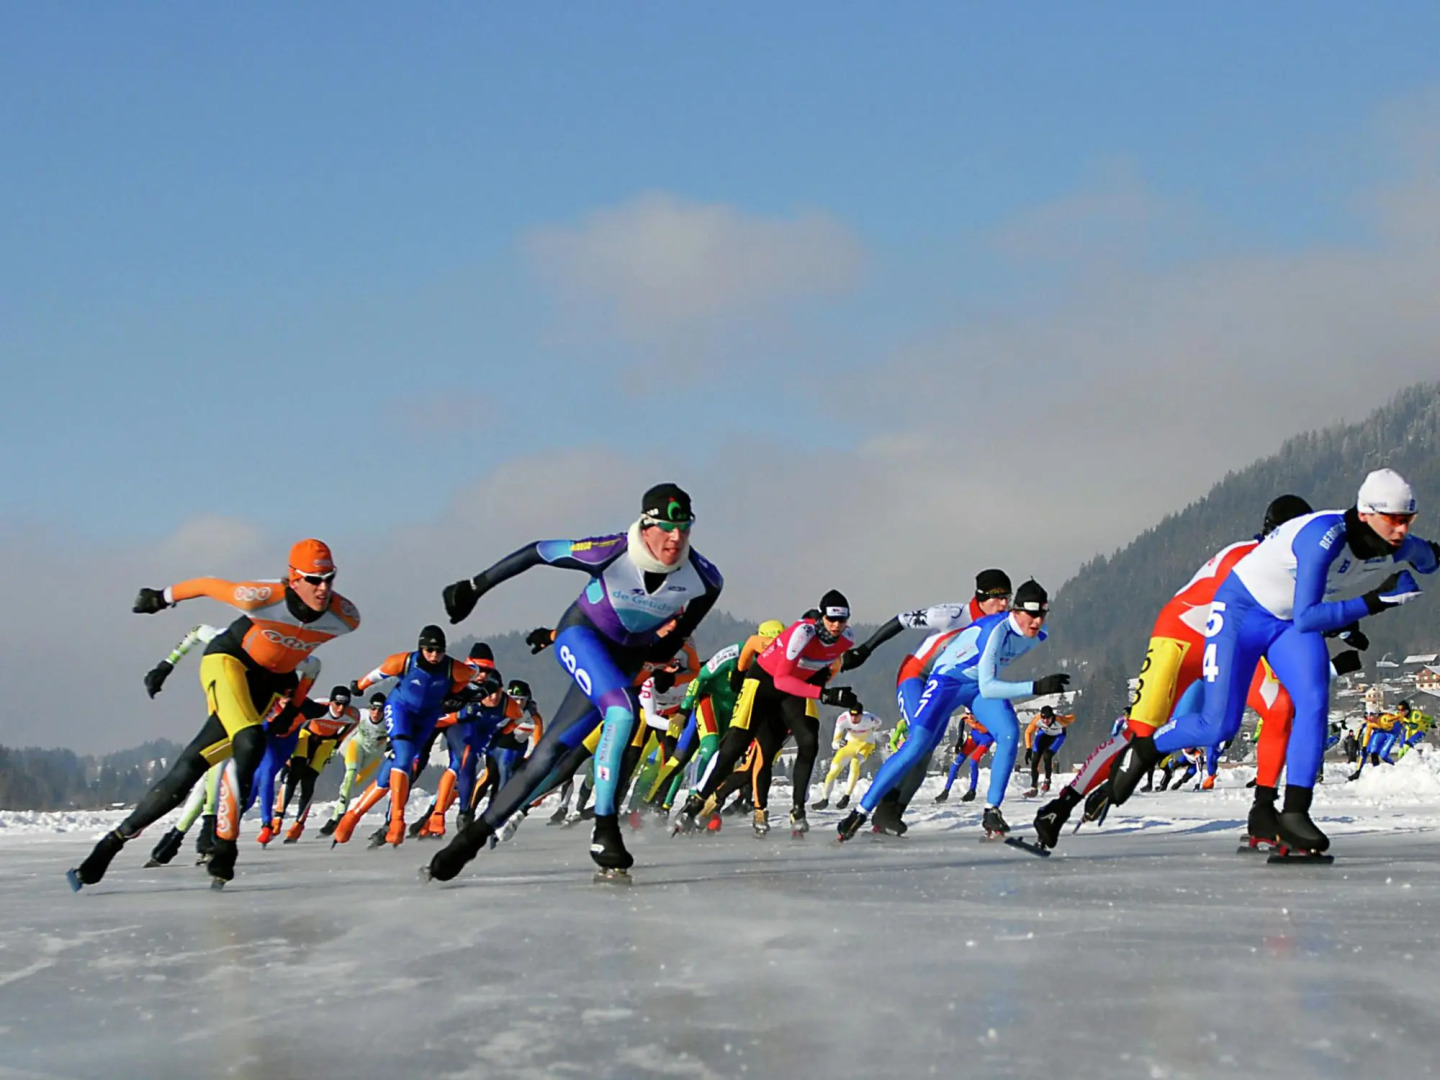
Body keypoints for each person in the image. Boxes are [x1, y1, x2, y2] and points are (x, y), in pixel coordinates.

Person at [1109, 469, 1438, 855]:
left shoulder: (1401, 544)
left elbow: (1431, 558)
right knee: (1218, 725)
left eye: (1407, 520)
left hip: (1284, 622)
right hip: (1242, 614)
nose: (1400, 530)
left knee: (1313, 700)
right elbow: (1309, 617)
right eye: (1393, 519)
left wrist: (1423, 560)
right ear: (1365, 513)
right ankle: (1148, 749)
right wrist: (1375, 601)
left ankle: (1295, 814)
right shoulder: (1324, 538)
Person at [427, 483, 723, 881]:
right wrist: (474, 588)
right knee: (622, 712)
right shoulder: (612, 551)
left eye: (684, 528)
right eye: (667, 528)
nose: (676, 538)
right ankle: (604, 829)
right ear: (646, 525)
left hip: (623, 658)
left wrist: (660, 652)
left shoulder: (705, 578)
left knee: (552, 754)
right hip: (581, 635)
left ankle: (468, 842)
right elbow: (538, 551)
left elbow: (682, 630)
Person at [68, 540, 360, 890]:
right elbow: (208, 584)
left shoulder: (345, 618)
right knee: (250, 740)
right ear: (294, 578)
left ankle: (109, 845)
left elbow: (310, 666)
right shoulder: (263, 596)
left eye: (330, 578)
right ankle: (225, 846)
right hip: (228, 661)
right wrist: (161, 597)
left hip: (265, 687)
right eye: (314, 579)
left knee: (190, 767)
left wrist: (294, 705)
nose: (324, 588)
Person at [1031, 496, 1317, 850]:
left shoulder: (1291, 567)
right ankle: (1060, 806)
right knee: (1138, 732)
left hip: (1229, 641)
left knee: (1281, 708)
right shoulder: (1245, 558)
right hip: (1181, 638)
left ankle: (1263, 808)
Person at [839, 579, 1067, 841]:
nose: (1037, 621)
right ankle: (860, 812)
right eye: (1031, 614)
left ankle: (991, 811)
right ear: (1015, 611)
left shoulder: (1037, 633)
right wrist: (1036, 687)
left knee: (1008, 732)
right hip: (941, 680)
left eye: (1042, 614)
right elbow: (990, 685)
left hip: (976, 685)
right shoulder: (974, 622)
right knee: (919, 743)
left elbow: (986, 681)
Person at [674, 592, 864, 837]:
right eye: (831, 620)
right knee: (735, 746)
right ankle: (696, 802)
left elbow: (830, 670)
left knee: (807, 741)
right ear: (820, 618)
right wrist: (739, 676)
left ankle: (796, 809)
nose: (837, 626)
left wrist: (835, 692)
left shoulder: (845, 640)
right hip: (765, 683)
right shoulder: (802, 634)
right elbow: (768, 663)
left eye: (842, 620)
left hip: (792, 689)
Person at [848, 571, 1014, 835]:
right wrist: (865, 649)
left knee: (927, 750)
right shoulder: (954, 615)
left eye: (1008, 597)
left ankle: (890, 814)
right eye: (998, 598)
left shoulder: (1004, 623)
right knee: (920, 740)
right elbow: (901, 621)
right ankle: (879, 806)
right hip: (917, 676)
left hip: (950, 685)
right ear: (981, 597)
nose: (1004, 604)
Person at [331, 626, 476, 846]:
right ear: (421, 647)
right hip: (400, 709)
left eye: (439, 650)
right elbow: (377, 674)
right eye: (429, 649)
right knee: (405, 756)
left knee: (396, 768)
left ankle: (353, 815)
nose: (434, 655)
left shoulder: (453, 669)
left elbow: (470, 676)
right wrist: (359, 686)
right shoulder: (405, 662)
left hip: (426, 718)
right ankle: (397, 820)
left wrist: (458, 693)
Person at [273, 686, 359, 842]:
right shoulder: (318, 707)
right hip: (306, 736)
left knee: (309, 780)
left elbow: (346, 731)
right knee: (294, 773)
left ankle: (298, 825)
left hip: (326, 742)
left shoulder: (353, 715)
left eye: (344, 704)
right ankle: (277, 818)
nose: (340, 708)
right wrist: (286, 748)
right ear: (331, 702)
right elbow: (293, 725)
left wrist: (337, 743)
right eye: (337, 704)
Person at [320, 693, 389, 836]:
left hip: (374, 757)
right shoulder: (361, 714)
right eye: (373, 708)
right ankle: (336, 817)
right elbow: (330, 705)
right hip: (357, 747)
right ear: (368, 707)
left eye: (380, 709)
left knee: (353, 785)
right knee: (350, 775)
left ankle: (338, 814)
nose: (375, 713)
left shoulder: (390, 720)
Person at [812, 707, 886, 810]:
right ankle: (824, 799)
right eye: (852, 716)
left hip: (866, 744)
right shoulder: (843, 719)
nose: (854, 719)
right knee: (833, 770)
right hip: (849, 744)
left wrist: (871, 732)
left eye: (857, 716)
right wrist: (839, 744)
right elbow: (834, 743)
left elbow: (878, 724)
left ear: (862, 715)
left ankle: (846, 796)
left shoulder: (870, 719)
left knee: (855, 762)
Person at [935, 710, 992, 803]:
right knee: (957, 762)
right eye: (968, 714)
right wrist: (960, 738)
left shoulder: (984, 714)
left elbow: (984, 729)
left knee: (973, 762)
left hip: (986, 738)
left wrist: (974, 724)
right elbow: (962, 720)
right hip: (975, 735)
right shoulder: (969, 716)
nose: (969, 717)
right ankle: (945, 791)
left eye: (971, 714)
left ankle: (972, 791)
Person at [1024, 706, 1073, 796]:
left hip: (1058, 736)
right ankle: (1033, 788)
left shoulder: (1060, 720)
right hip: (1043, 734)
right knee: (1034, 760)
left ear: (1052, 717)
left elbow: (1072, 717)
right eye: (1043, 719)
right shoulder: (1037, 719)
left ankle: (1047, 781)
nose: (1046, 721)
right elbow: (1028, 732)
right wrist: (1028, 748)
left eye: (1048, 719)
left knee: (1047, 756)